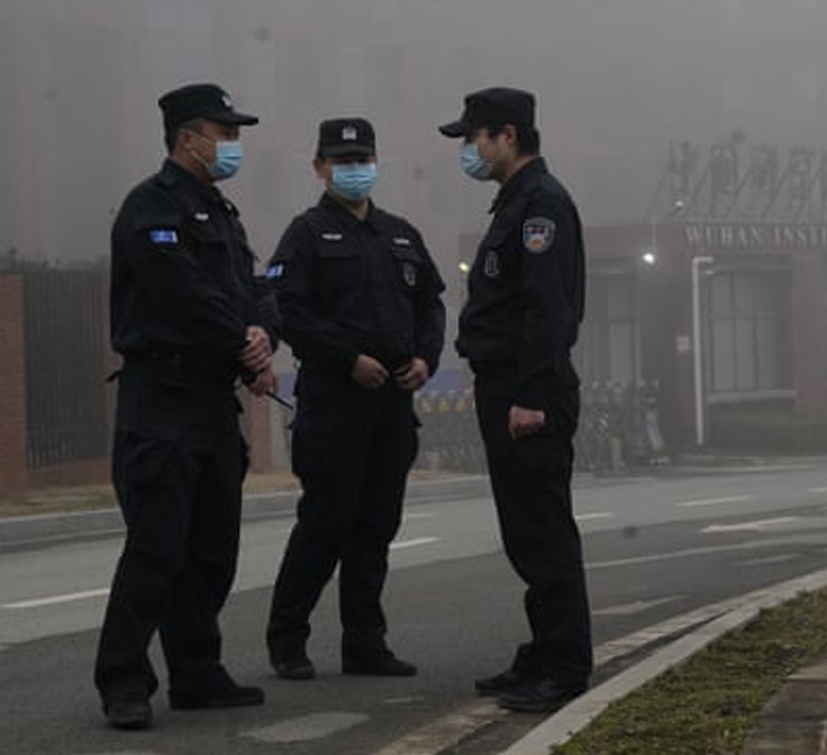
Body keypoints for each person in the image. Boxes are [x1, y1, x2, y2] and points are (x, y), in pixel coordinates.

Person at [96, 83, 278, 730]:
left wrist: (263, 334)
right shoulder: (151, 208)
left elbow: (254, 288)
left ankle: (198, 671)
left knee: (211, 547)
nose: (230, 144)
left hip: (210, 399)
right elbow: (183, 294)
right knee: (157, 546)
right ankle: (123, 678)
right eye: (222, 132)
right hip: (162, 398)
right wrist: (244, 343)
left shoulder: (220, 211)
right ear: (186, 137)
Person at [265, 117, 446, 681]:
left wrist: (425, 359)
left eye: (363, 159)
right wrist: (347, 359)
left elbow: (431, 305)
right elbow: (287, 310)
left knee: (375, 528)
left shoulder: (400, 233)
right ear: (320, 168)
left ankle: (365, 643)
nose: (355, 169)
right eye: (342, 162)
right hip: (335, 403)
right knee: (324, 524)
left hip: (392, 403)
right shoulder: (307, 234)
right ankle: (288, 641)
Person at [438, 87, 592, 712]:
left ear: (507, 135)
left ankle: (564, 664)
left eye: (474, 138)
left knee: (542, 532)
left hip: (531, 391)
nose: (469, 151)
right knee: (525, 531)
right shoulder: (515, 203)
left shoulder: (541, 208)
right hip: (507, 384)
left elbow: (548, 310)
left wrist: (528, 396)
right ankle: (544, 650)